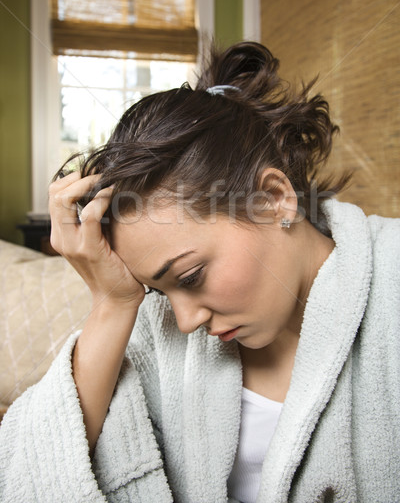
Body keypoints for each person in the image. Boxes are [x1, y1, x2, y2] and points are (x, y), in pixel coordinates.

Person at [1, 42, 399, 503]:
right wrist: (113, 303)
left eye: (190, 277)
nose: (186, 321)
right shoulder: (161, 334)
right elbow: (25, 477)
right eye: (160, 291)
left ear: (275, 199)